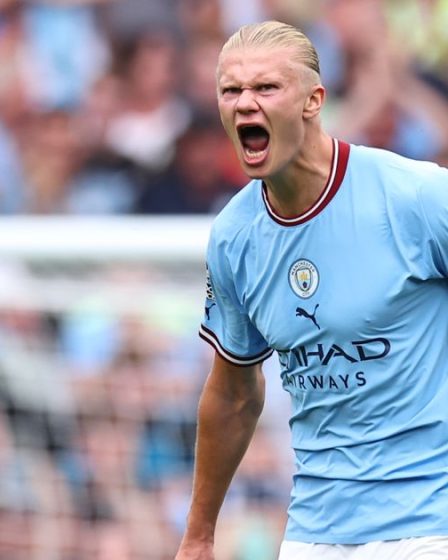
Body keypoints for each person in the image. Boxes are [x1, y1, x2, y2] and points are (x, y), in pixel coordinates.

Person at [174, 20, 448, 560]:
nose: (245, 103)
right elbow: (233, 394)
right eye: (231, 90)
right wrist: (199, 534)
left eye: (266, 88)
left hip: (430, 523)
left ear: (313, 100)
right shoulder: (234, 238)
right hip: (314, 532)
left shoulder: (415, 197)